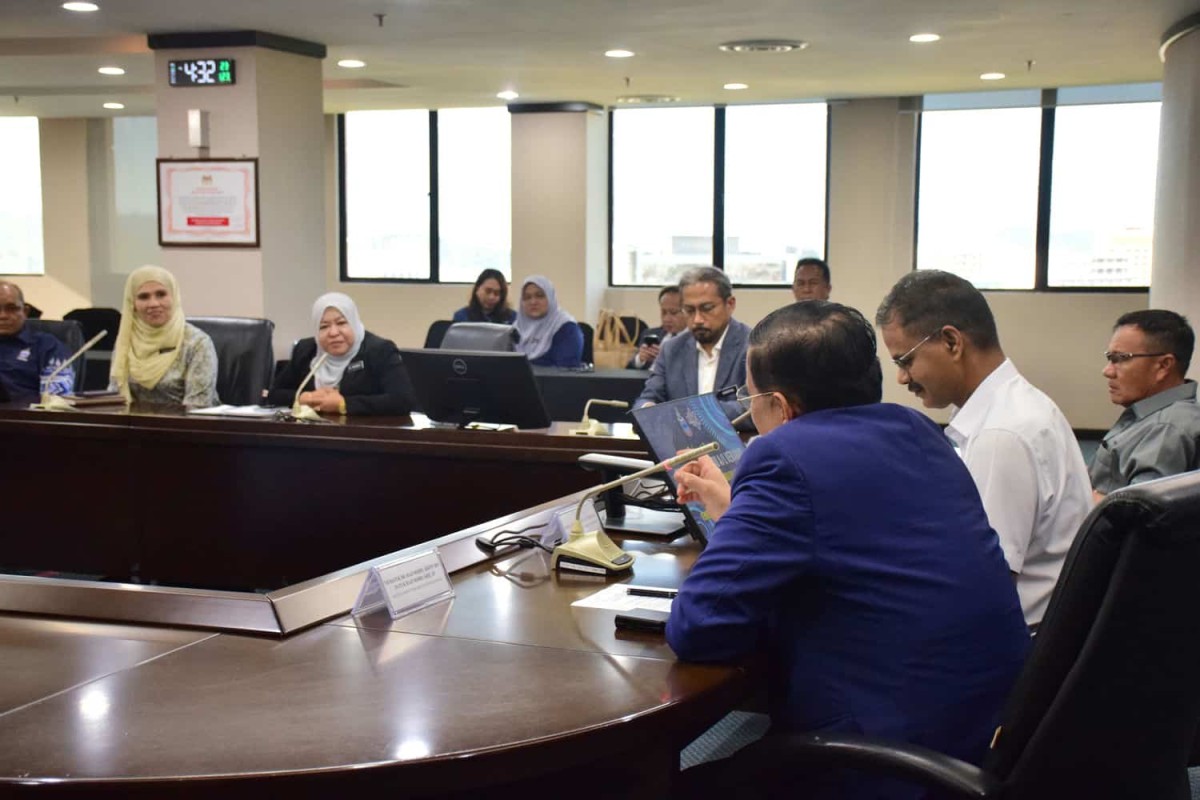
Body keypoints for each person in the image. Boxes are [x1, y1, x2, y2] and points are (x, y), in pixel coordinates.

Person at [668, 301, 1028, 800]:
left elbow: (699, 627)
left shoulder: (782, 457)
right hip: (983, 738)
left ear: (781, 406)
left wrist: (736, 524)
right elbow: (853, 536)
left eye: (750, 399)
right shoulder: (920, 432)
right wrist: (737, 510)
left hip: (880, 761)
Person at [875, 270, 1090, 628]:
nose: (902, 378)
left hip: (1021, 644)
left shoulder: (1001, 434)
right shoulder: (1017, 407)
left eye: (905, 360)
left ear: (951, 342)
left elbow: (984, 585)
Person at [1090, 309, 1200, 501]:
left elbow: (1138, 512)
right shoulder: (1151, 415)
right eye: (1109, 358)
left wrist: (1074, 498)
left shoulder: (1166, 427)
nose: (1107, 371)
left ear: (1163, 366)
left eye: (1120, 359)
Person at [267, 292, 417, 416]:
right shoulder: (306, 350)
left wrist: (344, 404)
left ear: (354, 322)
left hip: (364, 435)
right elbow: (274, 394)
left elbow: (402, 400)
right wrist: (304, 398)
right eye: (324, 326)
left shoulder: (379, 350)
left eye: (341, 323)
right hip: (311, 433)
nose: (333, 333)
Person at [634, 266, 749, 423]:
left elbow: (755, 406)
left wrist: (694, 413)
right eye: (689, 310)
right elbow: (648, 398)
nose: (697, 319)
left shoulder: (753, 347)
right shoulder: (671, 349)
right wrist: (647, 409)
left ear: (730, 304)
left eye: (707, 309)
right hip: (679, 438)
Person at [110, 266, 218, 409]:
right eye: (143, 297)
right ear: (132, 304)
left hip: (183, 422)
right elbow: (114, 398)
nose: (153, 304)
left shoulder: (197, 343)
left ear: (174, 297)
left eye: (161, 294)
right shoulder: (126, 341)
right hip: (131, 422)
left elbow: (197, 407)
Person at [0, 280, 74, 399]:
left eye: (12, 309)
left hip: (24, 410)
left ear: (25, 312)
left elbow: (56, 398)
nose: (3, 316)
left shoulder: (47, 345)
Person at [513, 275, 584, 367]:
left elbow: (565, 371)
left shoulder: (567, 329)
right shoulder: (516, 328)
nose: (533, 302)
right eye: (527, 297)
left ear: (550, 297)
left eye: (540, 296)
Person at [627, 285, 686, 369]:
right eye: (663, 312)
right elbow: (629, 369)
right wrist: (640, 359)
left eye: (673, 313)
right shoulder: (650, 334)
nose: (666, 319)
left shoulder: (696, 340)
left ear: (688, 312)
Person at [452, 268, 516, 324]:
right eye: (488, 291)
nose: (491, 297)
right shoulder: (462, 316)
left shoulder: (512, 318)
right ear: (477, 289)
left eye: (496, 293)